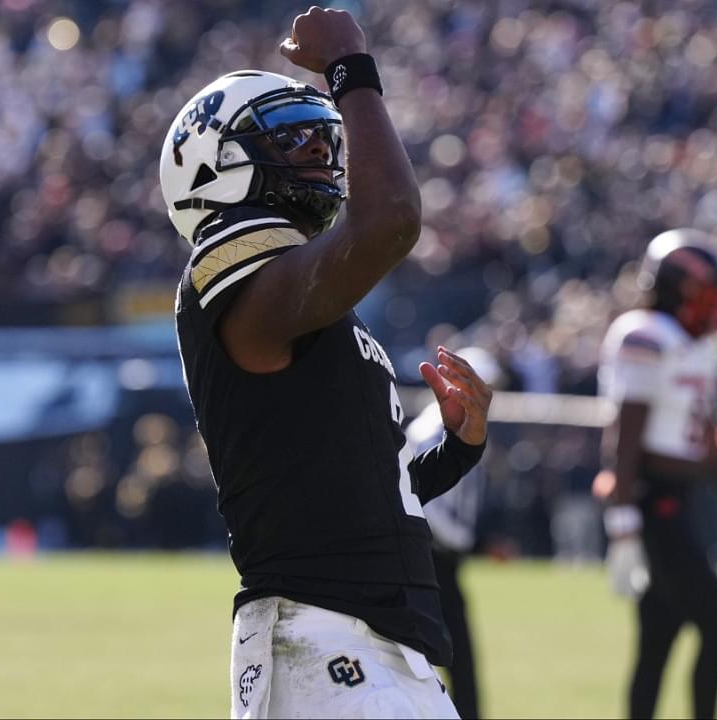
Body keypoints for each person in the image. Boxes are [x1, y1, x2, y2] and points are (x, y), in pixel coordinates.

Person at [160, 7, 493, 718]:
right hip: (324, 642)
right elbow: (392, 220)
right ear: (210, 165)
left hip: (364, 644)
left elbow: (362, 492)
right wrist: (349, 63)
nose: (321, 153)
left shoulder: (298, 305)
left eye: (322, 138)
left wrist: (457, 450)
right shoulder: (230, 273)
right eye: (292, 140)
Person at [597, 230, 717, 719]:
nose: (714, 310)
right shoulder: (642, 334)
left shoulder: (701, 350)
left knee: (659, 635)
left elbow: (706, 443)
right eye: (705, 298)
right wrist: (623, 527)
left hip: (681, 500)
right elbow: (625, 441)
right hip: (651, 498)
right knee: (716, 621)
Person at [406, 347, 502, 720]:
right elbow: (426, 502)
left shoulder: (446, 423)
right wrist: (472, 544)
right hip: (431, 556)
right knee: (448, 658)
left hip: (439, 553)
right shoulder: (435, 428)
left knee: (448, 658)